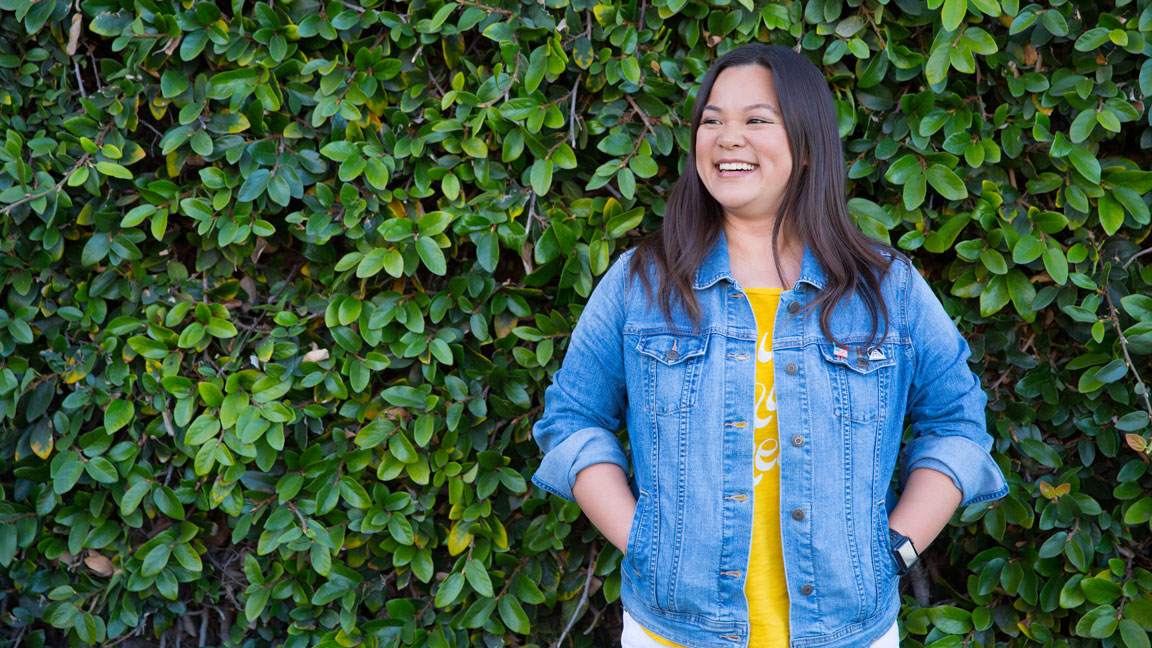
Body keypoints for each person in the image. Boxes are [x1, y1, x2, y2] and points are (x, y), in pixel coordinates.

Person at [530, 44, 1007, 648]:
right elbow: (572, 421)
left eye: (757, 119)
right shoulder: (641, 282)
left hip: (846, 634)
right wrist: (644, 539)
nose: (728, 137)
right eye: (712, 120)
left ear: (807, 145)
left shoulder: (887, 288)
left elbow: (958, 425)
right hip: (674, 632)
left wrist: (895, 546)